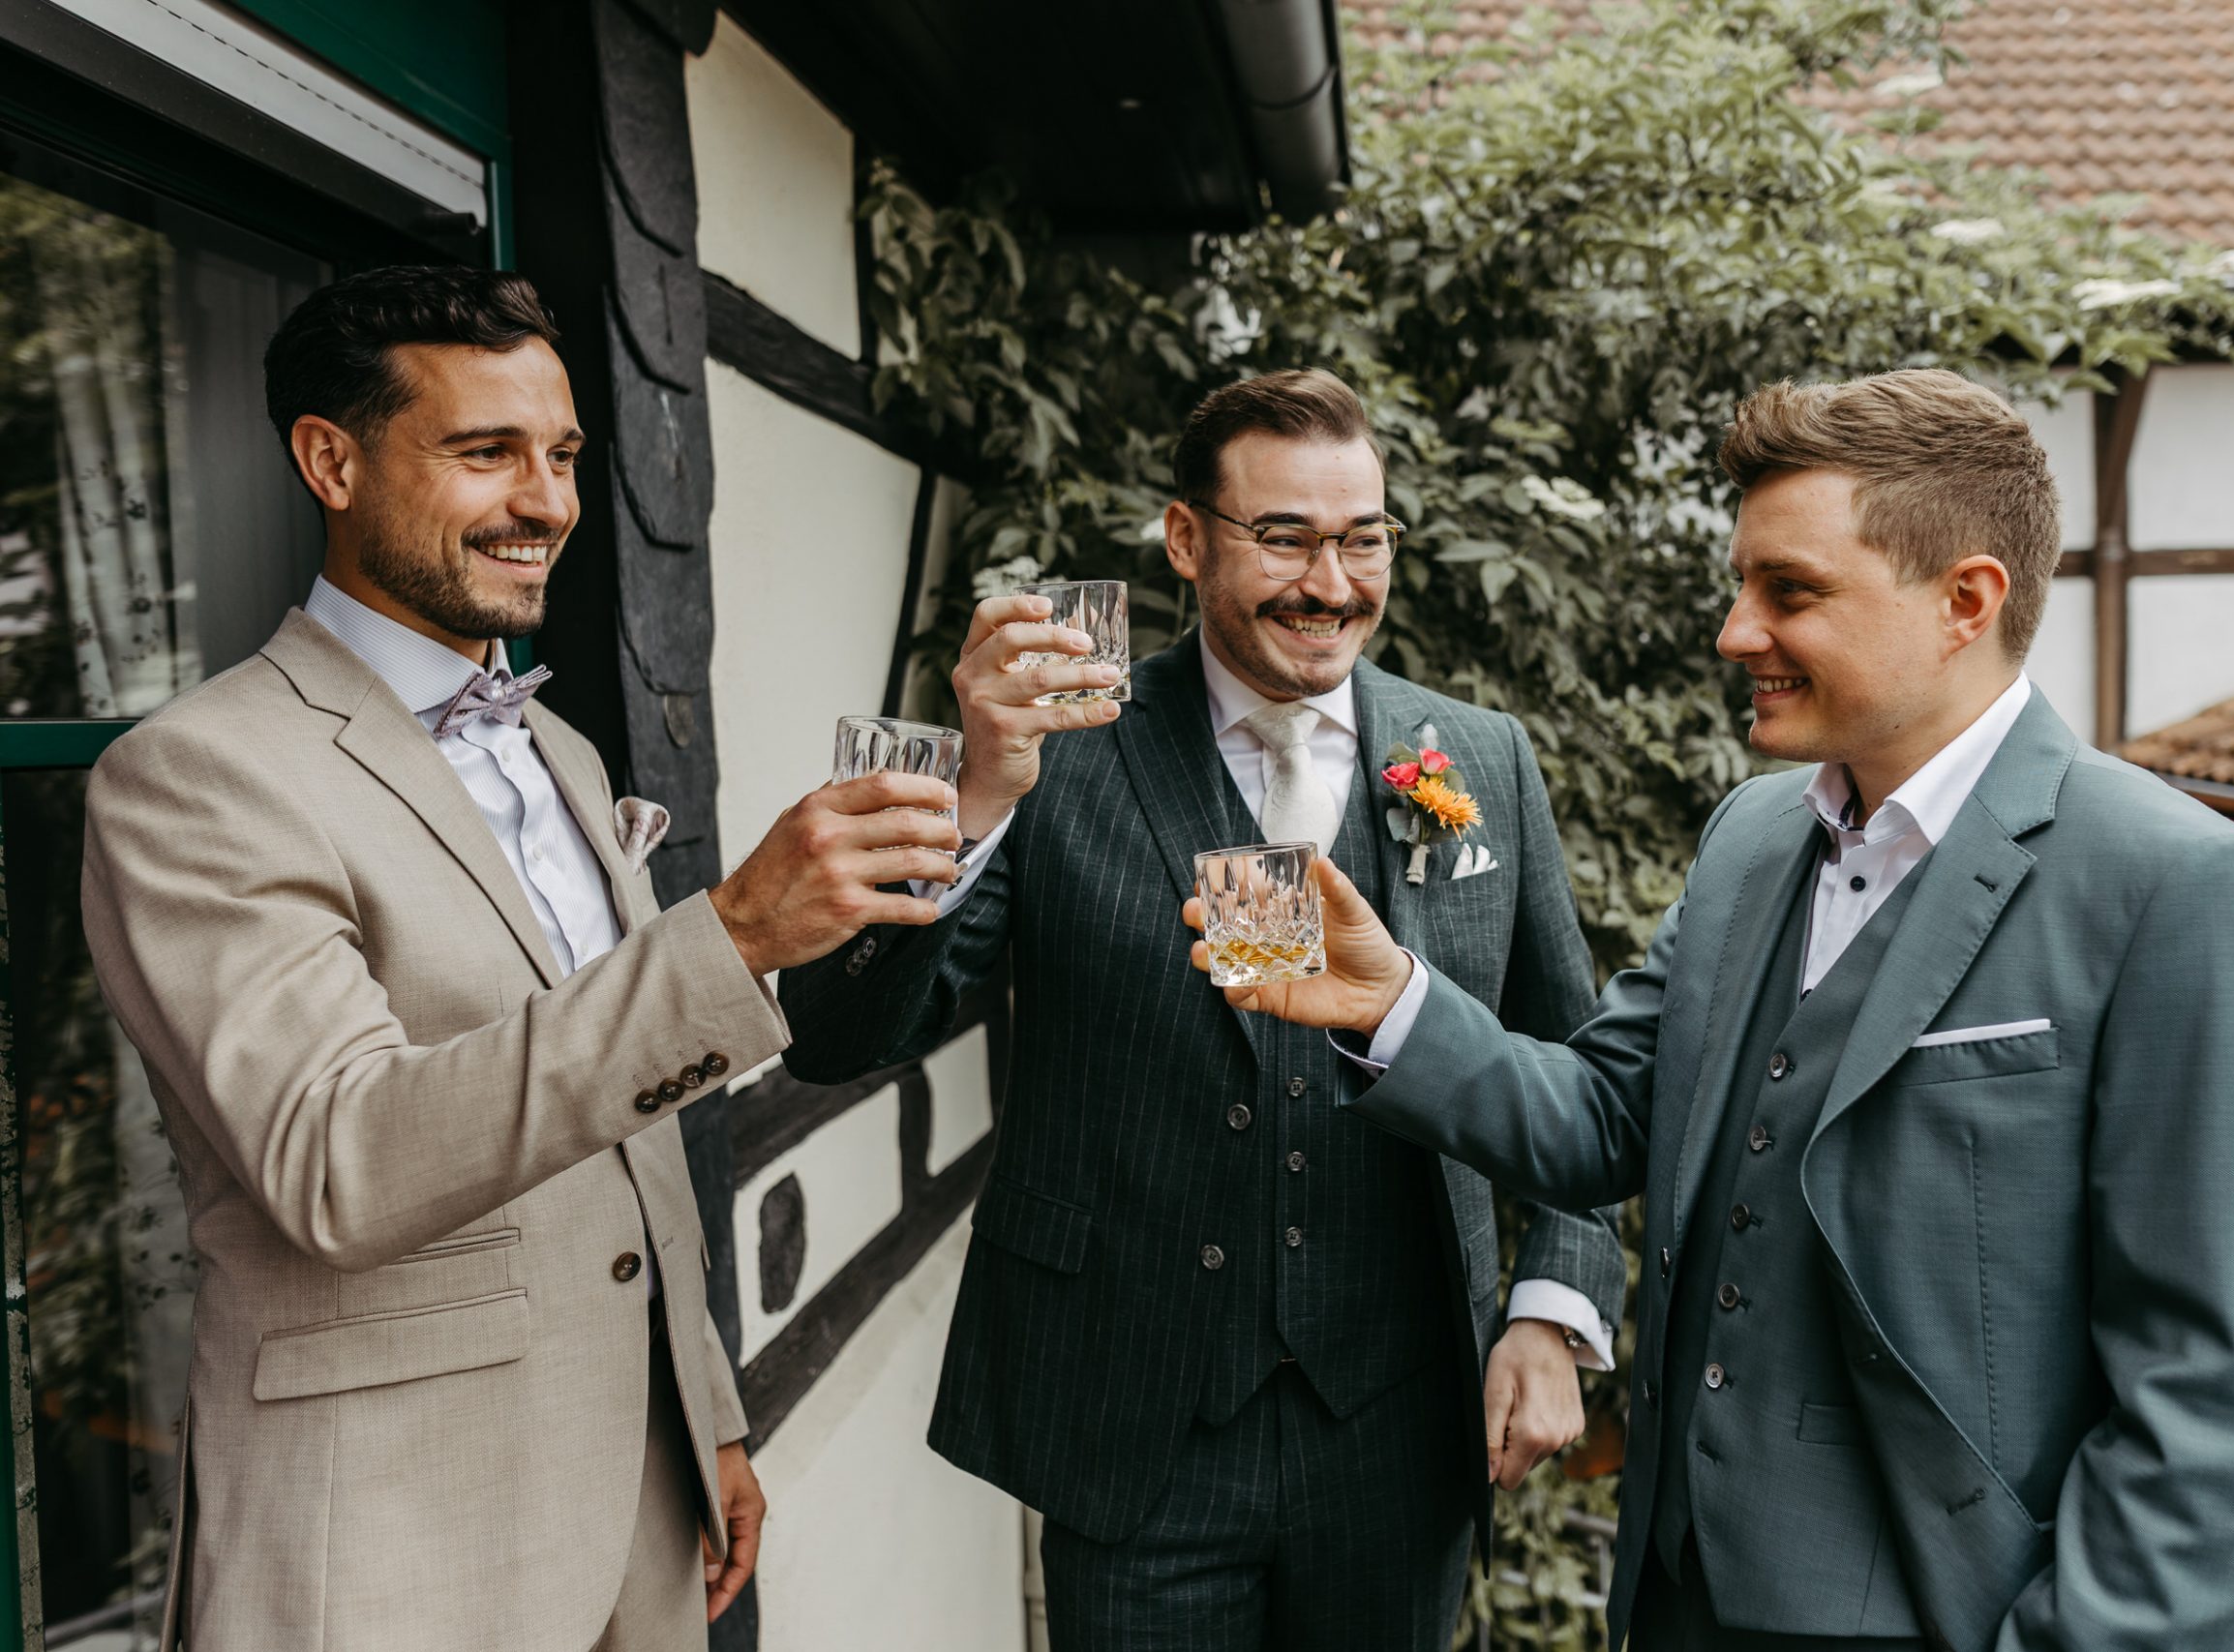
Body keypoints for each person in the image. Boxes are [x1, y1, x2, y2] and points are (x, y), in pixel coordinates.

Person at [1193, 370, 2234, 1652]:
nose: (1737, 633)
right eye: (1742, 585)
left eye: (1789, 591)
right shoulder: (1751, 836)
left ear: (1966, 601)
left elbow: (2221, 1408)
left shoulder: (2183, 891)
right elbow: (1607, 1116)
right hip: (1680, 1599)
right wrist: (1391, 1003)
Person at [79, 265, 961, 1650]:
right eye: (486, 452)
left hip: (644, 1502)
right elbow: (338, 1161)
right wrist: (730, 936)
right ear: (331, 461)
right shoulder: (197, 775)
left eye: (561, 455)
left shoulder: (559, 749)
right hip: (396, 1546)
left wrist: (706, 1411)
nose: (546, 502)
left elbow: (626, 1131)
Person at [776, 370, 1626, 1649]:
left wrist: (1556, 1309)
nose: (1331, 585)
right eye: (1284, 537)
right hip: (1136, 1423)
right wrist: (977, 796)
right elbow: (842, 1036)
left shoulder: (1481, 757)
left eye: (1363, 540)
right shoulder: (1056, 754)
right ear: (1186, 539)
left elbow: (1575, 1072)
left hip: (1395, 1429)